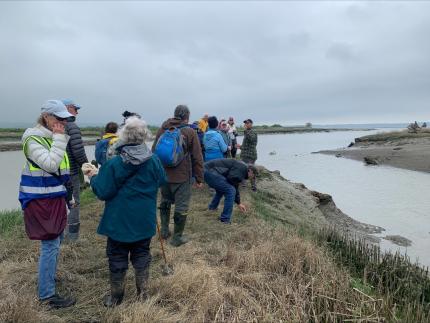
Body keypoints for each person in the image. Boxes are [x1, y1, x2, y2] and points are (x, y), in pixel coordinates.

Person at [85, 117, 166, 306]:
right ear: (144, 136)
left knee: (117, 256)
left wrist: (93, 178)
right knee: (142, 255)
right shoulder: (153, 160)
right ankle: (143, 294)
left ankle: (116, 297)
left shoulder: (114, 164)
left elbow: (103, 191)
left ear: (124, 137)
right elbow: (161, 181)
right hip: (144, 219)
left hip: (118, 221)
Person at [18, 100, 76, 309]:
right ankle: (47, 295)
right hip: (40, 200)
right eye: (59, 118)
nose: (63, 123)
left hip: (54, 197)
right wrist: (60, 138)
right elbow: (51, 163)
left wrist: (67, 196)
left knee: (56, 240)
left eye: (65, 119)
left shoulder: (52, 138)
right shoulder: (34, 139)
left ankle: (48, 279)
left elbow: (60, 171)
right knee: (50, 244)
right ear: (46, 117)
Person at [152, 105, 204, 246]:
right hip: (182, 177)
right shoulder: (189, 131)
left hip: (163, 175)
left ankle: (164, 231)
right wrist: (199, 178)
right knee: (181, 207)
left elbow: (153, 152)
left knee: (165, 202)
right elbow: (197, 157)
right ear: (187, 117)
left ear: (174, 115)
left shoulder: (162, 129)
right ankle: (177, 238)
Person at [62, 99, 88, 241]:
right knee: (73, 202)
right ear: (68, 108)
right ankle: (72, 237)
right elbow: (78, 152)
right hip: (71, 172)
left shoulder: (54, 125)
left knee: (60, 202)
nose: (77, 112)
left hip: (56, 173)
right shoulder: (72, 126)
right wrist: (87, 166)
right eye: (75, 109)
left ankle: (59, 233)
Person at [204, 159, 256, 223]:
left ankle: (212, 208)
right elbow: (231, 180)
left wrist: (238, 203)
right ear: (250, 171)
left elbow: (233, 182)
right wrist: (238, 201)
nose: (252, 178)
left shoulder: (242, 167)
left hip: (207, 170)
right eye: (253, 175)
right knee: (230, 191)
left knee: (223, 188)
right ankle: (225, 219)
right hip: (209, 171)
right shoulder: (242, 168)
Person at [238, 118, 258, 191]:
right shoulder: (247, 132)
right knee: (243, 169)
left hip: (250, 156)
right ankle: (244, 186)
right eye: (245, 123)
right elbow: (247, 145)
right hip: (245, 155)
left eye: (247, 123)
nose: (246, 124)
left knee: (251, 171)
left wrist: (246, 130)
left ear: (251, 124)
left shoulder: (253, 132)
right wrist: (240, 147)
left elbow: (251, 139)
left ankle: (253, 187)